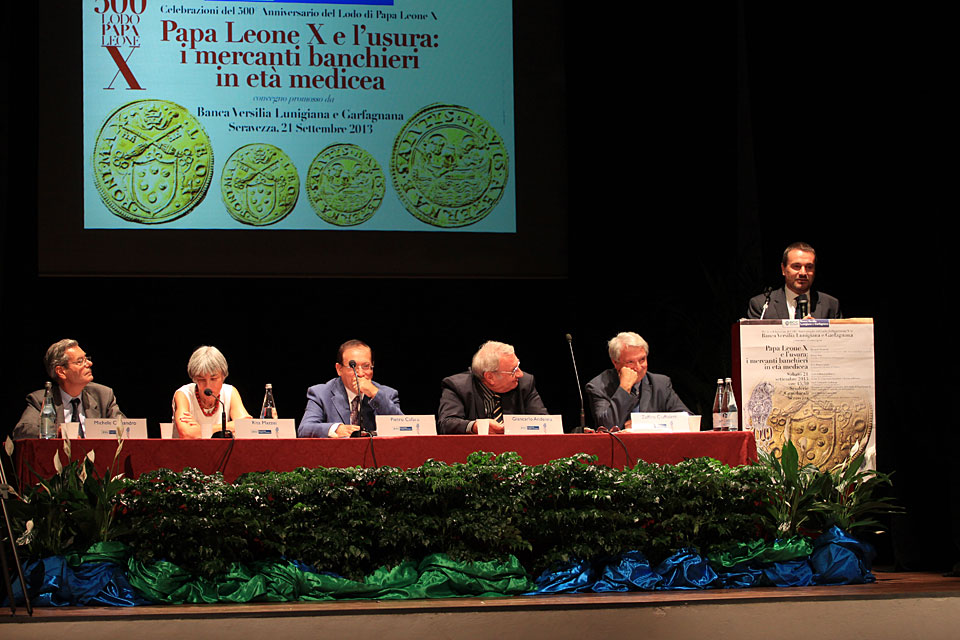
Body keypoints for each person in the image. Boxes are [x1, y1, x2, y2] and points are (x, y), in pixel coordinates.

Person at [13, 339, 124, 439]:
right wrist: (56, 433)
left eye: (87, 359)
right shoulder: (40, 400)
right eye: (80, 361)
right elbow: (22, 431)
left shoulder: (103, 395)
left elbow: (124, 428)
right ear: (61, 371)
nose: (89, 363)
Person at [438, 340, 548, 435]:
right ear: (490, 377)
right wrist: (476, 426)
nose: (520, 374)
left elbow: (545, 423)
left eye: (518, 366)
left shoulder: (524, 383)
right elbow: (446, 423)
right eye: (513, 371)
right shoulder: (457, 387)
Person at [585, 332, 690, 430]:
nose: (638, 367)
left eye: (642, 360)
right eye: (630, 362)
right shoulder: (598, 387)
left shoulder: (661, 384)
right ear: (615, 363)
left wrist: (642, 425)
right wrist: (624, 388)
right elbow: (606, 427)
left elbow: (688, 420)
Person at [298, 340, 402, 438]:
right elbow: (304, 429)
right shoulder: (321, 394)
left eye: (366, 366)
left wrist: (375, 395)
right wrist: (335, 429)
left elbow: (403, 428)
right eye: (353, 367)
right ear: (339, 369)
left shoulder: (388, 394)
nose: (360, 374)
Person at [172, 346, 252, 439]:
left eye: (213, 379)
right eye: (201, 379)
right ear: (194, 379)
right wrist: (230, 426)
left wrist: (200, 429)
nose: (208, 385)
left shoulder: (230, 392)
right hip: (186, 452)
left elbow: (246, 426)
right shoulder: (183, 394)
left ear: (223, 376)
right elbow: (186, 433)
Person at [747, 241, 842, 319]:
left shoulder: (831, 305)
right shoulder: (762, 305)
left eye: (809, 267)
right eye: (796, 266)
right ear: (783, 269)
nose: (803, 273)